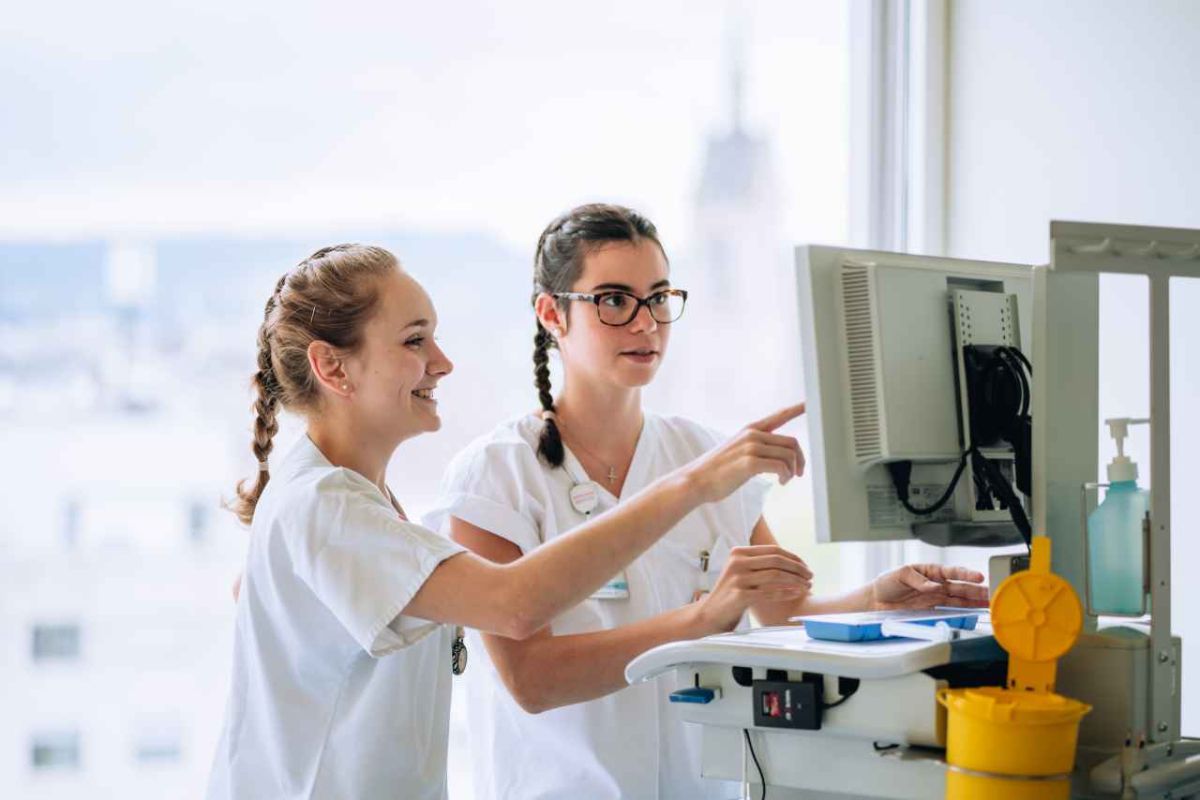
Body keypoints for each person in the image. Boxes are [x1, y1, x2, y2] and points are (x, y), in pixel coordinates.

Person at [205, 243, 810, 800]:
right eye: (414, 341)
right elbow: (515, 604)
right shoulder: (325, 502)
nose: (442, 362)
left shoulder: (349, 503)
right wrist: (694, 486)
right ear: (334, 369)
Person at [426, 204, 989, 800]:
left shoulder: (701, 451)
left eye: (659, 297)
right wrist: (701, 621)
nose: (646, 323)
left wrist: (874, 601)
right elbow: (532, 680)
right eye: (614, 300)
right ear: (551, 314)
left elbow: (784, 613)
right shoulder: (494, 476)